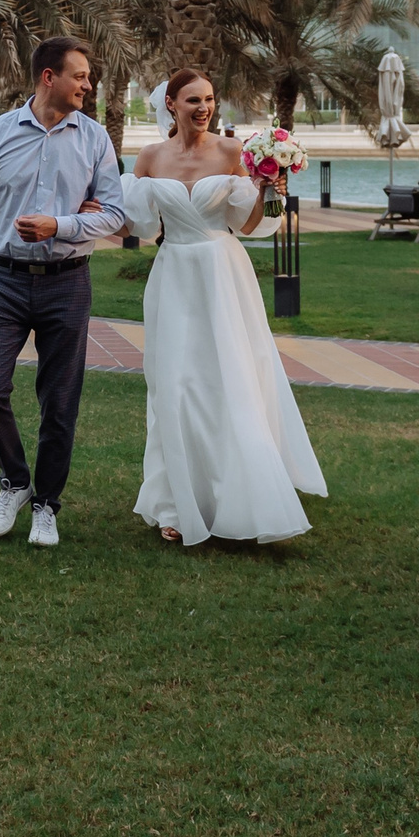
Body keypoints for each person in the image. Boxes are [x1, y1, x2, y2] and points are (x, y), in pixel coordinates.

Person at [126, 68, 325, 544]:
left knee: (229, 380)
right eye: (193, 99)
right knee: (174, 385)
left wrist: (270, 192)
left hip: (222, 272)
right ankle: (175, 503)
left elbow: (251, 223)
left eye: (210, 99)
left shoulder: (236, 152)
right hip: (173, 275)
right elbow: (136, 223)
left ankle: (241, 497)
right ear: (170, 104)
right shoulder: (150, 157)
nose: (204, 108)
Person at [0, 37, 126, 549]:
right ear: (49, 77)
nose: (89, 85)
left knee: (60, 402)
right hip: (1, 279)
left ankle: (46, 503)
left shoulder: (95, 139)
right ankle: (16, 482)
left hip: (68, 283)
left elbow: (115, 213)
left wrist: (60, 226)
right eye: (81, 76)